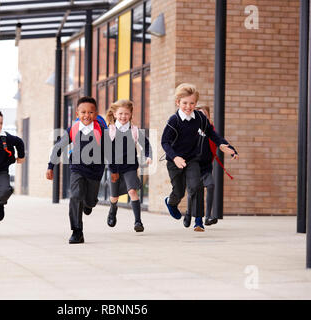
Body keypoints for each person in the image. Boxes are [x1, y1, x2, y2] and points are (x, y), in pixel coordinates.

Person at [161, 83, 238, 232]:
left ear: (196, 104)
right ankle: (171, 202)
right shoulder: (174, 120)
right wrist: (175, 157)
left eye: (192, 103)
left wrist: (226, 146)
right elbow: (165, 142)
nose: (188, 107)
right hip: (174, 161)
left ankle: (198, 221)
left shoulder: (200, 118)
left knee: (196, 186)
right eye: (185, 103)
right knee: (179, 191)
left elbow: (212, 133)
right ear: (178, 103)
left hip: (192, 159)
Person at [46, 96, 106, 244]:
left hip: (95, 171)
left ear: (96, 113)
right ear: (77, 114)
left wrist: (115, 170)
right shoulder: (73, 129)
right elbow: (59, 147)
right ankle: (77, 231)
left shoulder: (102, 130)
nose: (87, 115)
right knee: (75, 195)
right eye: (83, 112)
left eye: (90, 112)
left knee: (90, 201)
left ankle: (89, 203)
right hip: (77, 168)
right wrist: (50, 166)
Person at [105, 99, 152, 232]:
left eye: (126, 114)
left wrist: (148, 156)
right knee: (114, 197)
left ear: (131, 115)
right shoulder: (110, 130)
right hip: (114, 168)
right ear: (114, 114)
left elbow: (146, 145)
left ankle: (138, 222)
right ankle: (113, 209)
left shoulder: (135, 131)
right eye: (120, 113)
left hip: (130, 167)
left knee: (132, 191)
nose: (123, 116)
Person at [192, 105, 237, 226]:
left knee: (210, 185)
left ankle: (208, 217)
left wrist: (233, 151)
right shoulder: (191, 129)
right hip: (193, 167)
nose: (202, 117)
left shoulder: (210, 130)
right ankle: (191, 215)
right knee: (195, 192)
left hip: (206, 167)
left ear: (208, 117)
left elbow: (221, 141)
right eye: (199, 115)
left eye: (205, 115)